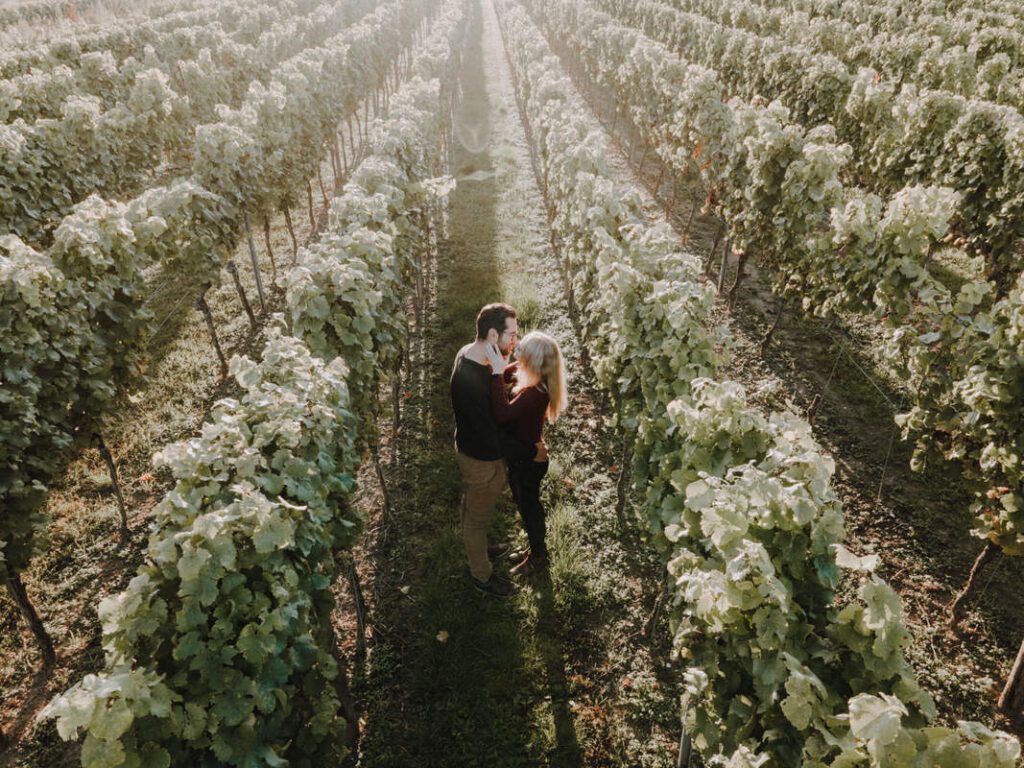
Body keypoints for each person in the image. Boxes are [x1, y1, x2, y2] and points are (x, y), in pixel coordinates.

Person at [450, 303, 547, 598]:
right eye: (512, 334)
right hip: (481, 458)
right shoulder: (472, 383)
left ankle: (478, 546)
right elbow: (494, 435)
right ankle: (482, 577)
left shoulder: (471, 353)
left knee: (474, 510)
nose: (516, 340)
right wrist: (531, 451)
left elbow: (499, 378)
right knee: (477, 519)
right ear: (493, 334)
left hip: (474, 448)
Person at [484, 331, 567, 578]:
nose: (517, 355)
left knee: (530, 508)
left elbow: (502, 414)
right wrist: (501, 368)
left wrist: (497, 374)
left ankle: (539, 556)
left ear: (533, 362)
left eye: (522, 352)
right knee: (523, 504)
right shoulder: (534, 378)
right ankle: (534, 548)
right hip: (523, 457)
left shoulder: (535, 393)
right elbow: (510, 371)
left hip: (528, 461)